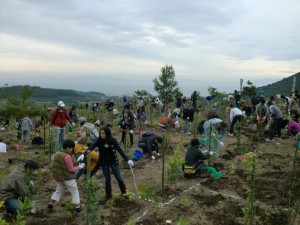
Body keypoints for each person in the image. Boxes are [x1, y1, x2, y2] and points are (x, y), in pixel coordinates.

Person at [77, 126, 134, 201]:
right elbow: (91, 147)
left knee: (119, 178)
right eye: (101, 133)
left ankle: (124, 193)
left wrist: (127, 159)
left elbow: (120, 150)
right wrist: (83, 154)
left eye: (103, 133)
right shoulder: (99, 141)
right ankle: (108, 195)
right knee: (107, 179)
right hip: (104, 162)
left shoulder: (112, 141)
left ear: (107, 134)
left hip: (113, 161)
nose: (102, 135)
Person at [47, 139, 84, 214]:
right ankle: (77, 208)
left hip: (59, 178)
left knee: (58, 191)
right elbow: (71, 169)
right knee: (74, 191)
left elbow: (53, 166)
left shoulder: (57, 154)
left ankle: (50, 205)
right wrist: (79, 167)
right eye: (71, 148)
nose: (72, 150)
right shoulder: (67, 157)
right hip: (68, 178)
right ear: (67, 148)